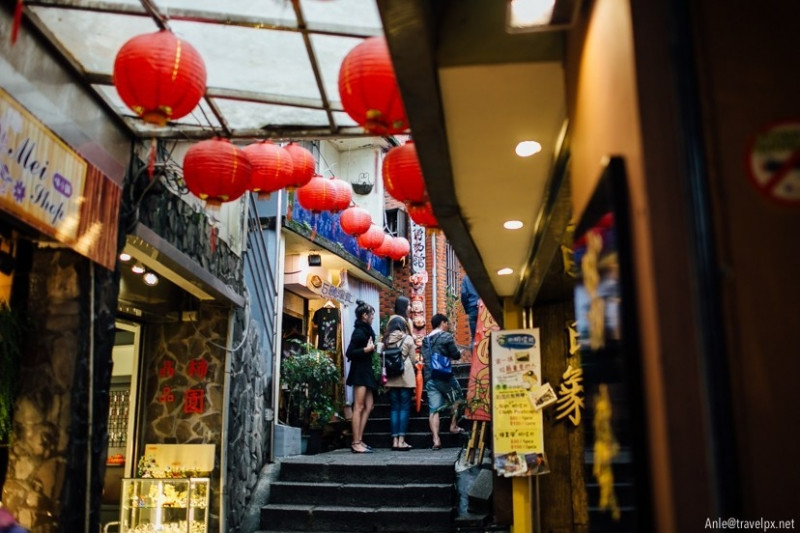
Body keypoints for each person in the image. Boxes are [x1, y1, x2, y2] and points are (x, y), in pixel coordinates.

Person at [420, 313, 466, 449]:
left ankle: (436, 440)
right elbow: (455, 355)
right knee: (457, 398)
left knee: (434, 409)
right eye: (447, 323)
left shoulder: (425, 340)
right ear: (443, 323)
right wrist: (460, 353)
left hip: (429, 377)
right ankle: (453, 426)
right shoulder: (446, 336)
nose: (448, 326)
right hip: (444, 375)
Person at [345, 300, 378, 454]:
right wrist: (366, 350)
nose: (373, 318)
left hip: (366, 370)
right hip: (359, 371)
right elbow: (350, 353)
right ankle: (355, 442)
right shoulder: (359, 332)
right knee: (358, 406)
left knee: (369, 405)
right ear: (364, 316)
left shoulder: (366, 330)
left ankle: (360, 438)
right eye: (371, 315)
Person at [382, 315, 416, 451]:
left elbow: (381, 358)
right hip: (405, 376)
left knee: (394, 408)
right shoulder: (408, 339)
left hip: (390, 377)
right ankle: (402, 441)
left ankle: (394, 441)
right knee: (404, 408)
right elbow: (413, 359)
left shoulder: (384, 340)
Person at [460, 275, 480, 345]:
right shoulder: (483, 276)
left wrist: (467, 309)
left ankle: (474, 355)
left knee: (474, 337)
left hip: (472, 308)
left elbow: (463, 294)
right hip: (484, 309)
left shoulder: (466, 278)